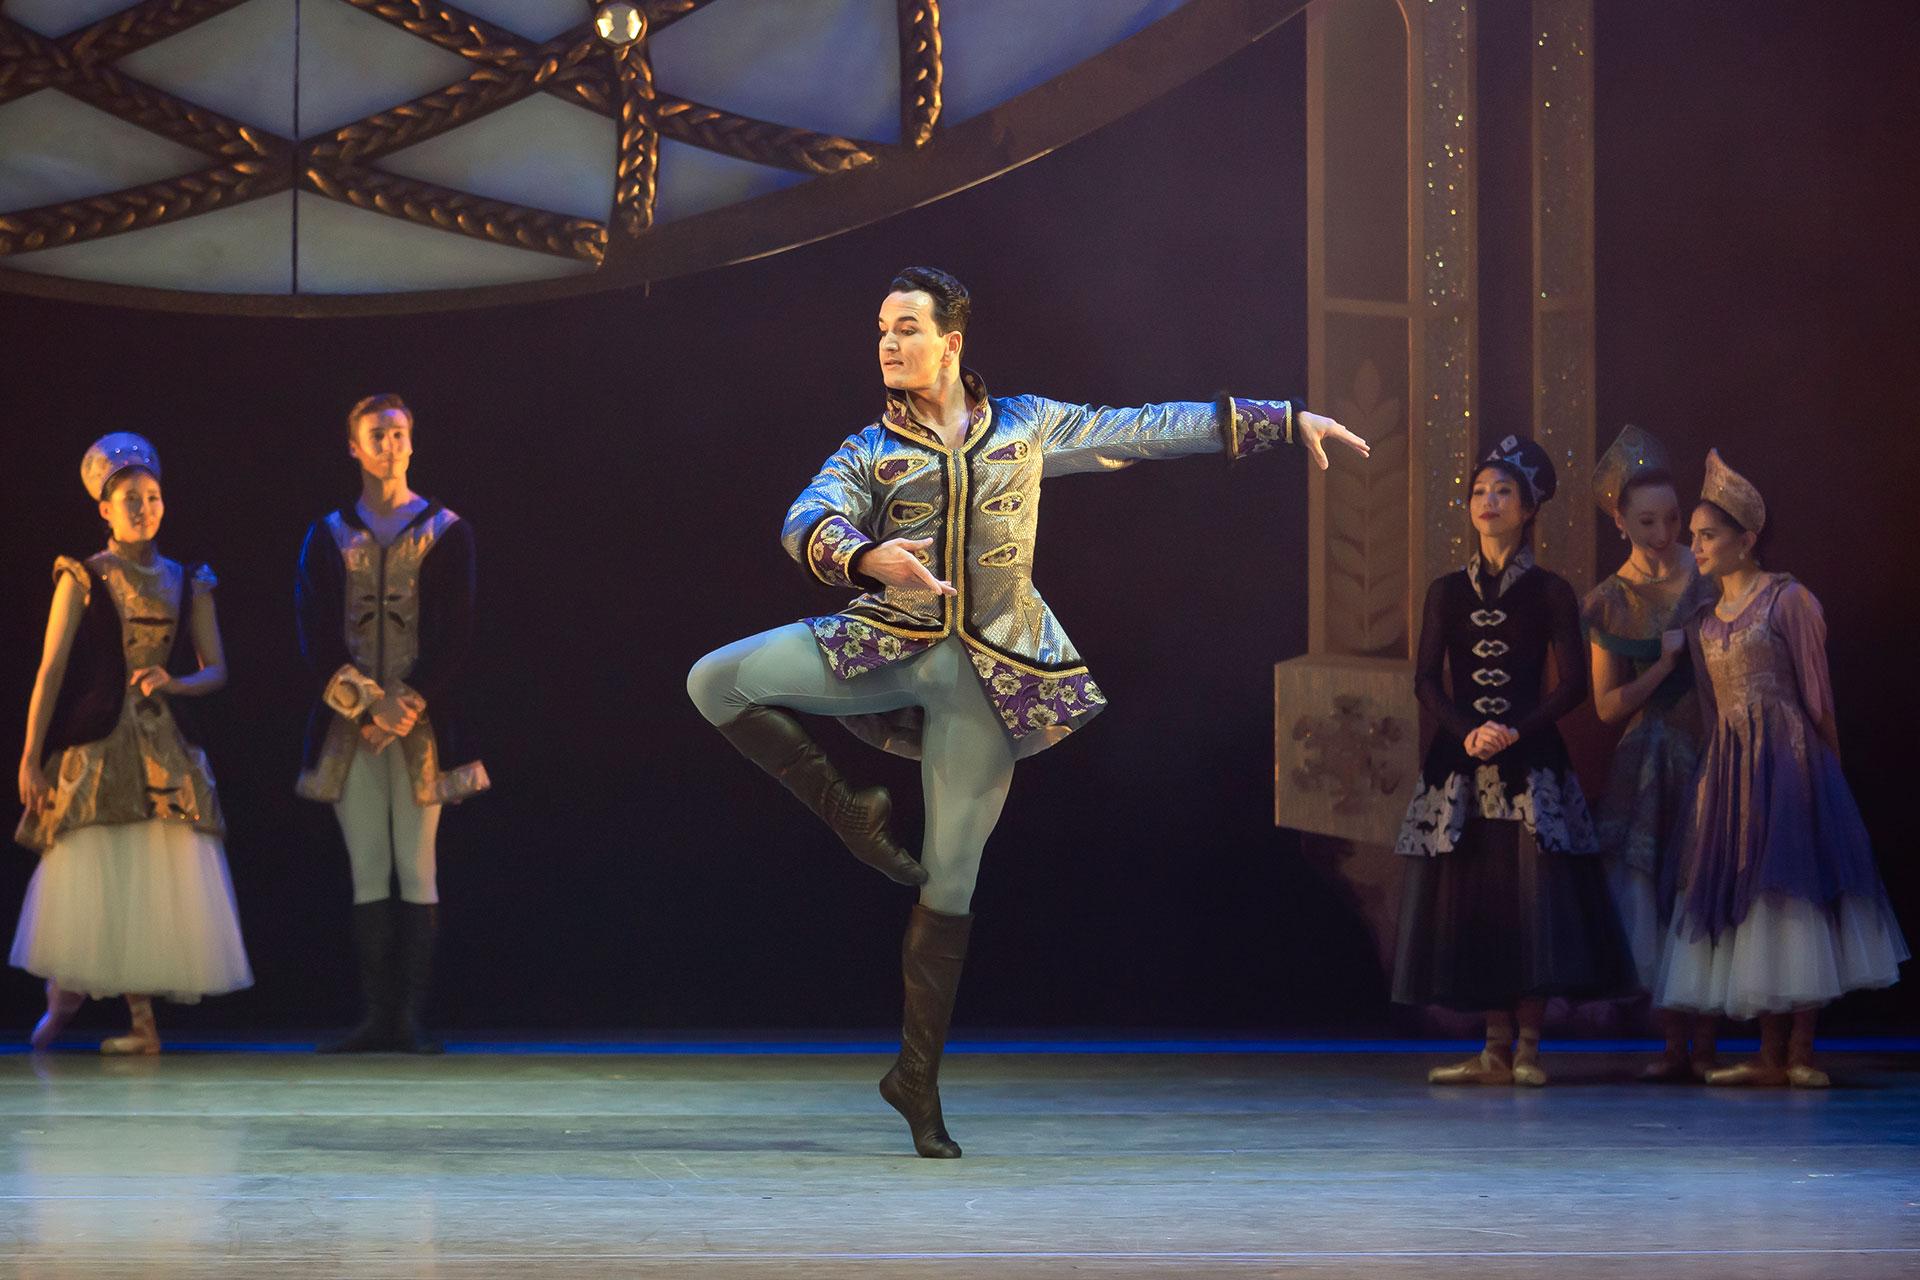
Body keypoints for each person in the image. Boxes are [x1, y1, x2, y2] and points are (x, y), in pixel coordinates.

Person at [687, 266, 1368, 1156]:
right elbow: (806, 517)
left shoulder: (1027, 427)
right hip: (886, 646)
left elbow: (1147, 429)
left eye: (906, 328)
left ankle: (915, 1080)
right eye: (881, 330)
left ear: (951, 341)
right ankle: (849, 812)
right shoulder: (868, 451)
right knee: (715, 679)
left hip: (994, 672)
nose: (889, 344)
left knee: (951, 879)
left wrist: (1284, 419)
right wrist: (865, 560)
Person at [1654, 450, 1906, 1086]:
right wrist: (1716, 776)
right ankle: (1767, 1054)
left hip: (1790, 764)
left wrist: (1829, 780)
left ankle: (1800, 1049)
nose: (1698, 547)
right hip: (1732, 768)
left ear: (1747, 539)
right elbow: (1714, 712)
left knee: (1794, 898)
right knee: (1753, 901)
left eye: (1708, 536)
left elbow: (1818, 698)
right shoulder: (1705, 623)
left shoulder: (1789, 601)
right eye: (1695, 537)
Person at [1392, 434, 1634, 1086]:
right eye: (1479, 491)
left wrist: (1512, 731)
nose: (1488, 501)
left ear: (1529, 509)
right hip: (1460, 765)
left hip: (1532, 766)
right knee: (1476, 900)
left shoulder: (1552, 591)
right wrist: (1469, 732)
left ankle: (1528, 1047)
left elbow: (1572, 686)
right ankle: (1493, 1048)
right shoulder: (1445, 591)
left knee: (1534, 901)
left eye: (1502, 492)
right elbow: (1426, 680)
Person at [13, 433, 252, 1053]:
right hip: (97, 745)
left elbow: (217, 668)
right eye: (129, 499)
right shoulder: (85, 577)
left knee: (149, 873)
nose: (143, 508)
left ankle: (143, 1025)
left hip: (161, 747)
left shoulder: (186, 579)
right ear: (105, 508)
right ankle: (62, 1001)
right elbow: (51, 671)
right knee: (93, 872)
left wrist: (176, 681)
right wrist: (31, 756)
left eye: (152, 497)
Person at [296, 394, 488, 1053]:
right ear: (354, 446)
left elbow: (456, 636)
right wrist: (364, 703)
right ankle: (376, 1019)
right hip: (351, 729)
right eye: (377, 435)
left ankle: (408, 1021)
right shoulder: (326, 535)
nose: (390, 445)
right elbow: (314, 635)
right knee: (368, 867)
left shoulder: (447, 530)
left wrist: (403, 705)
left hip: (422, 726)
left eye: (399, 433)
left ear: (413, 442)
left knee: (417, 862)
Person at [1581, 426, 1718, 1080]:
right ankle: (1670, 1046)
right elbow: (1607, 706)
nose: (1664, 534)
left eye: (1672, 519)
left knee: (1709, 887)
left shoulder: (1710, 575)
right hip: (1649, 759)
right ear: (1619, 520)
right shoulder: (1610, 599)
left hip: (1713, 744)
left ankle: (1710, 1045)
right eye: (1647, 522)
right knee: (1658, 896)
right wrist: (1663, 668)